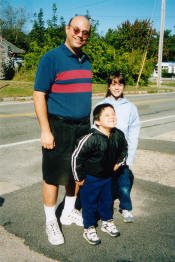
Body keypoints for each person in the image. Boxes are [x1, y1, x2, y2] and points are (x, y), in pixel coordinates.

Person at [33, 16, 92, 245]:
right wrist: (45, 130)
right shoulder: (51, 58)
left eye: (85, 32)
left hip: (82, 126)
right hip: (58, 125)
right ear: (68, 29)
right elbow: (39, 94)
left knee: (75, 173)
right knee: (52, 176)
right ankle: (51, 221)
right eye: (76, 29)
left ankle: (67, 213)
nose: (80, 34)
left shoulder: (86, 60)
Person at [71, 103, 128, 245]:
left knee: (107, 201)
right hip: (91, 178)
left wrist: (119, 163)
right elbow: (76, 158)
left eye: (113, 114)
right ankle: (89, 227)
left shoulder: (118, 134)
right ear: (97, 121)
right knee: (89, 203)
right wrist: (79, 177)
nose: (112, 117)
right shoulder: (91, 137)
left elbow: (124, 150)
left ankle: (107, 221)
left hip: (108, 177)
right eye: (107, 115)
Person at [98, 72, 140, 223]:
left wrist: (130, 155)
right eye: (114, 84)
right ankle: (104, 209)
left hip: (122, 153)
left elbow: (134, 133)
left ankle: (126, 208)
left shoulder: (130, 107)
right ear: (109, 86)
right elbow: (94, 129)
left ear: (123, 86)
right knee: (105, 182)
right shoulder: (101, 105)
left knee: (123, 183)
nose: (117, 87)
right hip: (105, 152)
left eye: (120, 84)